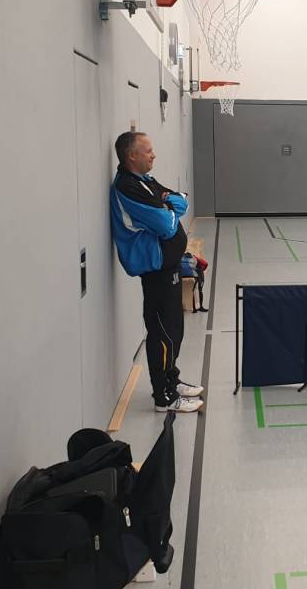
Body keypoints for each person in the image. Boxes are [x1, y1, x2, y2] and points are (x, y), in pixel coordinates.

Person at [110, 131, 204, 412]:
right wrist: (169, 208)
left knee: (174, 329)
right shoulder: (128, 187)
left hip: (170, 268)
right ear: (132, 155)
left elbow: (181, 201)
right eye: (148, 151)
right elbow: (165, 224)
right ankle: (164, 397)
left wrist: (169, 204)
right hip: (156, 272)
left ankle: (171, 380)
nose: (153, 155)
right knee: (162, 333)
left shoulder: (146, 181)